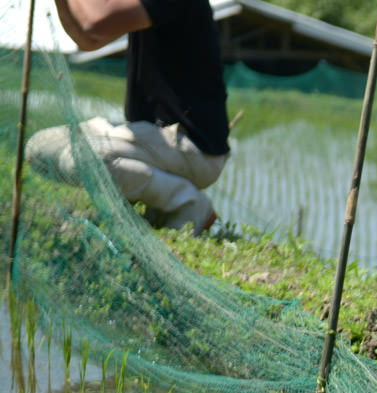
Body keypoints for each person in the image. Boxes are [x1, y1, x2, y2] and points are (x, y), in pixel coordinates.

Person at [25, 0, 230, 234]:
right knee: (38, 150)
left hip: (191, 147)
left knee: (84, 157)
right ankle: (156, 202)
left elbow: (94, 23)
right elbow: (87, 39)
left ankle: (189, 204)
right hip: (151, 136)